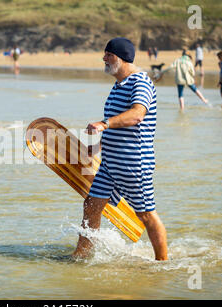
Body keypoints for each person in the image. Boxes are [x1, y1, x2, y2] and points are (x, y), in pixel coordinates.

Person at [72, 37, 168, 261]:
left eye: (108, 54)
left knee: (146, 215)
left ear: (122, 58)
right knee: (91, 205)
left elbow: (136, 115)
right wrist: (96, 146)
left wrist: (103, 124)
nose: (104, 58)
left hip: (133, 163)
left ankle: (163, 264)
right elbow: (115, 123)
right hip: (110, 165)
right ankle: (81, 256)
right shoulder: (118, 85)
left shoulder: (140, 83)